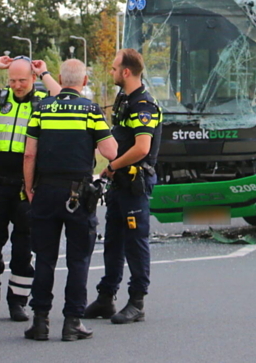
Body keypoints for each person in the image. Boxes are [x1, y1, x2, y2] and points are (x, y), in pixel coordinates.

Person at [0, 55, 61, 323]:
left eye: (23, 80)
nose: (17, 85)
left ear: (33, 79)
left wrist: (46, 73)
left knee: (23, 247)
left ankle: (18, 302)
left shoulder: (43, 103)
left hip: (27, 187)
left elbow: (64, 98)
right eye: (13, 80)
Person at [22, 59, 117, 342]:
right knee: (78, 260)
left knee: (44, 259)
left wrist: (30, 189)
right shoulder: (90, 110)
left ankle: (40, 322)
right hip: (78, 194)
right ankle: (72, 322)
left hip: (45, 192)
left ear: (61, 79)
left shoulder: (41, 109)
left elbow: (29, 154)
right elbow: (111, 151)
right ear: (84, 81)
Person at [83, 49, 162, 325]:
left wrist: (113, 165)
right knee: (113, 242)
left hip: (134, 182)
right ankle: (107, 297)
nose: (112, 71)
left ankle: (137, 301)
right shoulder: (124, 99)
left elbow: (142, 148)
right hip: (120, 182)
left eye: (115, 68)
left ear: (126, 72)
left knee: (135, 242)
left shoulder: (143, 105)